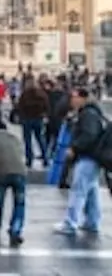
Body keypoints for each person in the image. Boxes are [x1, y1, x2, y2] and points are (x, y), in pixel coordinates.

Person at [54, 88, 105, 236]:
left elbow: (89, 135)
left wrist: (74, 148)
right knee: (91, 192)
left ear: (83, 98)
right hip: (94, 157)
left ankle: (71, 223)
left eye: (74, 97)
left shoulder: (87, 114)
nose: (72, 100)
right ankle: (92, 221)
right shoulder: (92, 113)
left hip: (87, 156)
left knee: (78, 191)